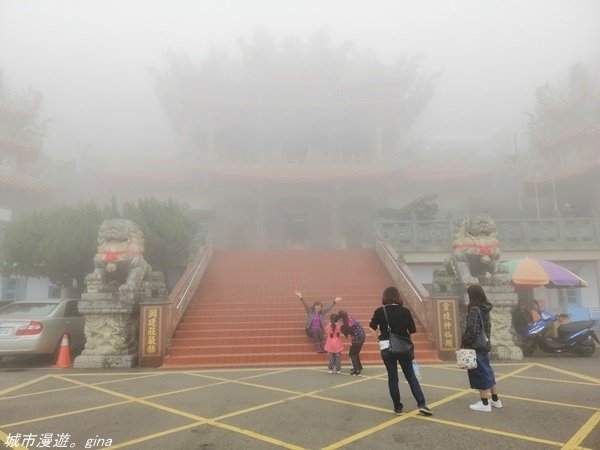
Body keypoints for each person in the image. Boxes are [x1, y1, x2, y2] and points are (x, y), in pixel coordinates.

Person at [369, 286, 433, 416]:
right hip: (403, 347)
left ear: (385, 297)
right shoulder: (405, 311)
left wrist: (379, 340)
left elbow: (371, 328)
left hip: (386, 347)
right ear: (398, 297)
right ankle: (421, 404)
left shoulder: (380, 311)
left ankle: (398, 407)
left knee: (393, 377)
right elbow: (412, 331)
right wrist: (407, 342)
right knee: (410, 375)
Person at [461, 284, 502, 412]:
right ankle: (495, 400)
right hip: (484, 344)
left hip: (476, 346)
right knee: (488, 371)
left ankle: (484, 403)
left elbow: (472, 330)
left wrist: (464, 342)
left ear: (471, 295)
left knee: (480, 373)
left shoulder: (474, 310)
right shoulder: (485, 308)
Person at [337, 310, 366, 375]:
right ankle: (359, 367)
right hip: (362, 336)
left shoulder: (347, 323)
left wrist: (341, 325)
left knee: (352, 354)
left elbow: (346, 332)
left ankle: (356, 370)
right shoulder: (349, 319)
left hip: (357, 338)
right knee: (356, 353)